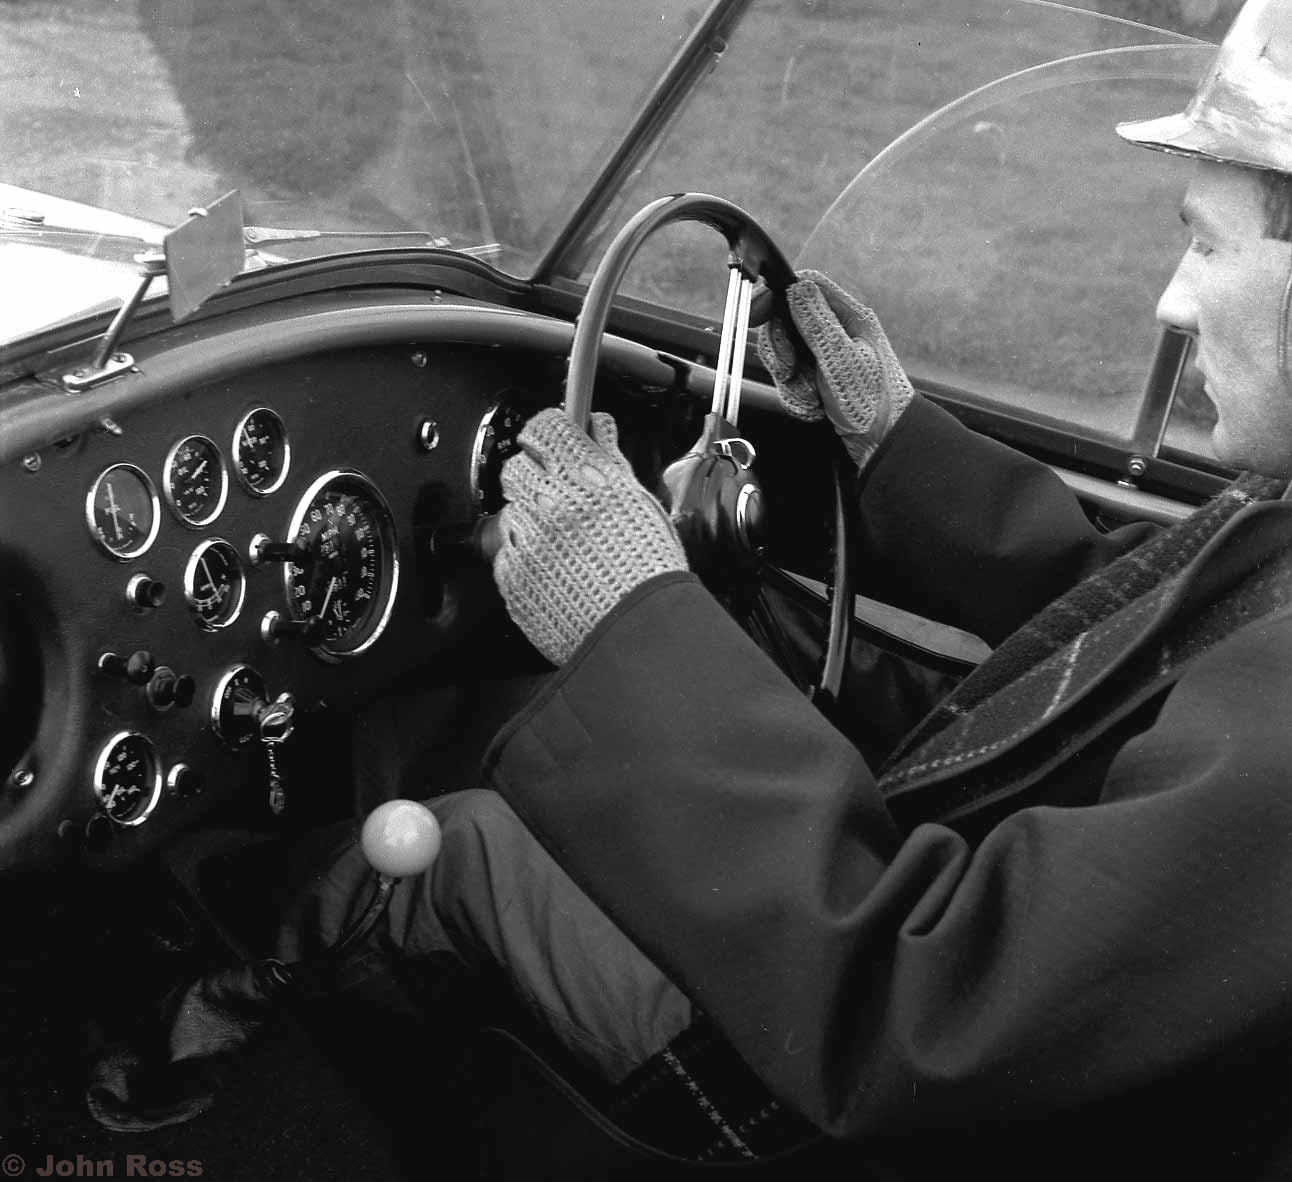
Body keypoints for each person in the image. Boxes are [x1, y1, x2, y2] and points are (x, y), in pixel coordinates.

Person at [118, 0, 1292, 1175]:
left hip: (823, 1083)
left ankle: (172, 964)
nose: (1171, 301)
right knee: (487, 725)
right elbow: (1142, 622)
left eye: (1203, 246)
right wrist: (890, 442)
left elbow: (919, 1010)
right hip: (959, 927)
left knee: (453, 850)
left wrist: (631, 615)